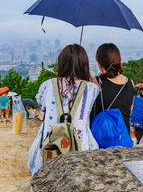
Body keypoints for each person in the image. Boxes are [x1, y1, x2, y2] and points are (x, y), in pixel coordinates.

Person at [27, 44, 100, 175]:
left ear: (61, 63)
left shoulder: (47, 85)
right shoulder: (92, 88)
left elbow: (42, 105)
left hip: (49, 145)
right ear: (84, 64)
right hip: (81, 146)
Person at [90, 43, 135, 136]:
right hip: (123, 137)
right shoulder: (130, 83)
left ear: (99, 63)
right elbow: (129, 111)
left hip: (102, 138)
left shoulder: (96, 83)